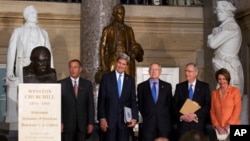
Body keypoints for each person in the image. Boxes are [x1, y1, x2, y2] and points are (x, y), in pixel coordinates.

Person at [97, 4, 144, 83]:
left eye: (123, 13)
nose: (122, 16)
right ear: (115, 14)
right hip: (113, 58)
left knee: (128, 81)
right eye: (119, 13)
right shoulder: (108, 29)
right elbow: (103, 47)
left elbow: (133, 43)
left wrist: (134, 51)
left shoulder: (128, 30)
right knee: (111, 81)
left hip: (126, 58)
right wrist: (103, 64)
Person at [6, 5, 53, 83]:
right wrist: (9, 71)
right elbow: (11, 52)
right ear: (26, 15)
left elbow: (49, 53)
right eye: (32, 12)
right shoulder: (18, 31)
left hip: (41, 67)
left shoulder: (44, 33)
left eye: (35, 13)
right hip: (23, 65)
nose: (35, 14)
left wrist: (51, 69)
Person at [97, 53, 138, 141]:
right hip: (109, 122)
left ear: (127, 66)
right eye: (119, 63)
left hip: (124, 123)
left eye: (124, 64)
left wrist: (134, 117)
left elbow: (133, 100)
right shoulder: (106, 78)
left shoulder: (130, 80)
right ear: (116, 63)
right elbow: (101, 100)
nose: (121, 66)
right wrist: (102, 118)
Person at [207, 1, 244, 96]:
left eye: (221, 11)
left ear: (228, 12)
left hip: (228, 67)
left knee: (228, 98)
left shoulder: (231, 27)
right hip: (223, 66)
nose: (218, 14)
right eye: (218, 11)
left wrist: (211, 36)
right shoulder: (223, 27)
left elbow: (212, 44)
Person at [172, 63, 211, 140]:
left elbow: (207, 105)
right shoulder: (179, 87)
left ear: (196, 73)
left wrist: (195, 115)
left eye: (189, 71)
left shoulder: (204, 87)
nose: (186, 73)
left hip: (198, 126)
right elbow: (174, 105)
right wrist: (181, 116)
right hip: (183, 126)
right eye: (186, 71)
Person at [59, 59, 95, 141]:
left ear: (80, 69)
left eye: (75, 67)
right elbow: (59, 106)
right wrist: (60, 122)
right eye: (70, 67)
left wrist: (90, 123)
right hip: (67, 125)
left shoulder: (87, 84)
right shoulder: (62, 84)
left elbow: (90, 105)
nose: (72, 70)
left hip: (82, 125)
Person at [137, 62, 173, 141]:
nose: (154, 71)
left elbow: (170, 104)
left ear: (160, 72)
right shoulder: (141, 87)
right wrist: (148, 115)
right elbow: (140, 105)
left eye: (156, 69)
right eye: (152, 69)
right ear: (148, 71)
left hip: (164, 125)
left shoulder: (167, 86)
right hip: (148, 125)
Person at [210, 68, 241, 141]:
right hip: (219, 129)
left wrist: (229, 125)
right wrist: (217, 125)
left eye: (224, 79)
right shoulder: (214, 93)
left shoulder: (235, 91)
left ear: (228, 79)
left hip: (233, 127)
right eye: (219, 79)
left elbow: (237, 110)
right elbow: (212, 111)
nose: (222, 81)